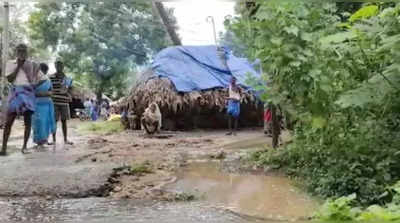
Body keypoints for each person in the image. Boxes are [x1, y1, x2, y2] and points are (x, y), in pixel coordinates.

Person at [1, 44, 40, 155]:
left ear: (27, 52)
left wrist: (33, 86)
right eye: (20, 50)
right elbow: (9, 79)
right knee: (9, 121)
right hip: (16, 93)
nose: (22, 52)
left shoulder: (31, 65)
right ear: (16, 52)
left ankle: (24, 147)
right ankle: (3, 148)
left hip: (28, 93)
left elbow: (34, 80)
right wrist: (18, 66)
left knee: (27, 122)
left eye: (24, 51)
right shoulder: (10, 63)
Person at [49, 60, 73, 145]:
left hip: (64, 102)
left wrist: (69, 94)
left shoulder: (67, 78)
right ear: (55, 66)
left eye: (60, 65)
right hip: (54, 101)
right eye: (57, 65)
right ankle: (54, 140)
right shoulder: (51, 77)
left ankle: (65, 139)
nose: (58, 67)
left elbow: (70, 89)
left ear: (63, 67)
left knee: (64, 121)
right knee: (54, 121)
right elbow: (49, 88)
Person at [32, 63, 56, 147]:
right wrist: (40, 94)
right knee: (39, 121)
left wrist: (46, 93)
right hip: (37, 104)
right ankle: (38, 140)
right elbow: (31, 91)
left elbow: (52, 91)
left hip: (47, 103)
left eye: (44, 70)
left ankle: (45, 139)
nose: (42, 72)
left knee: (46, 122)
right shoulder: (35, 80)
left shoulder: (48, 80)